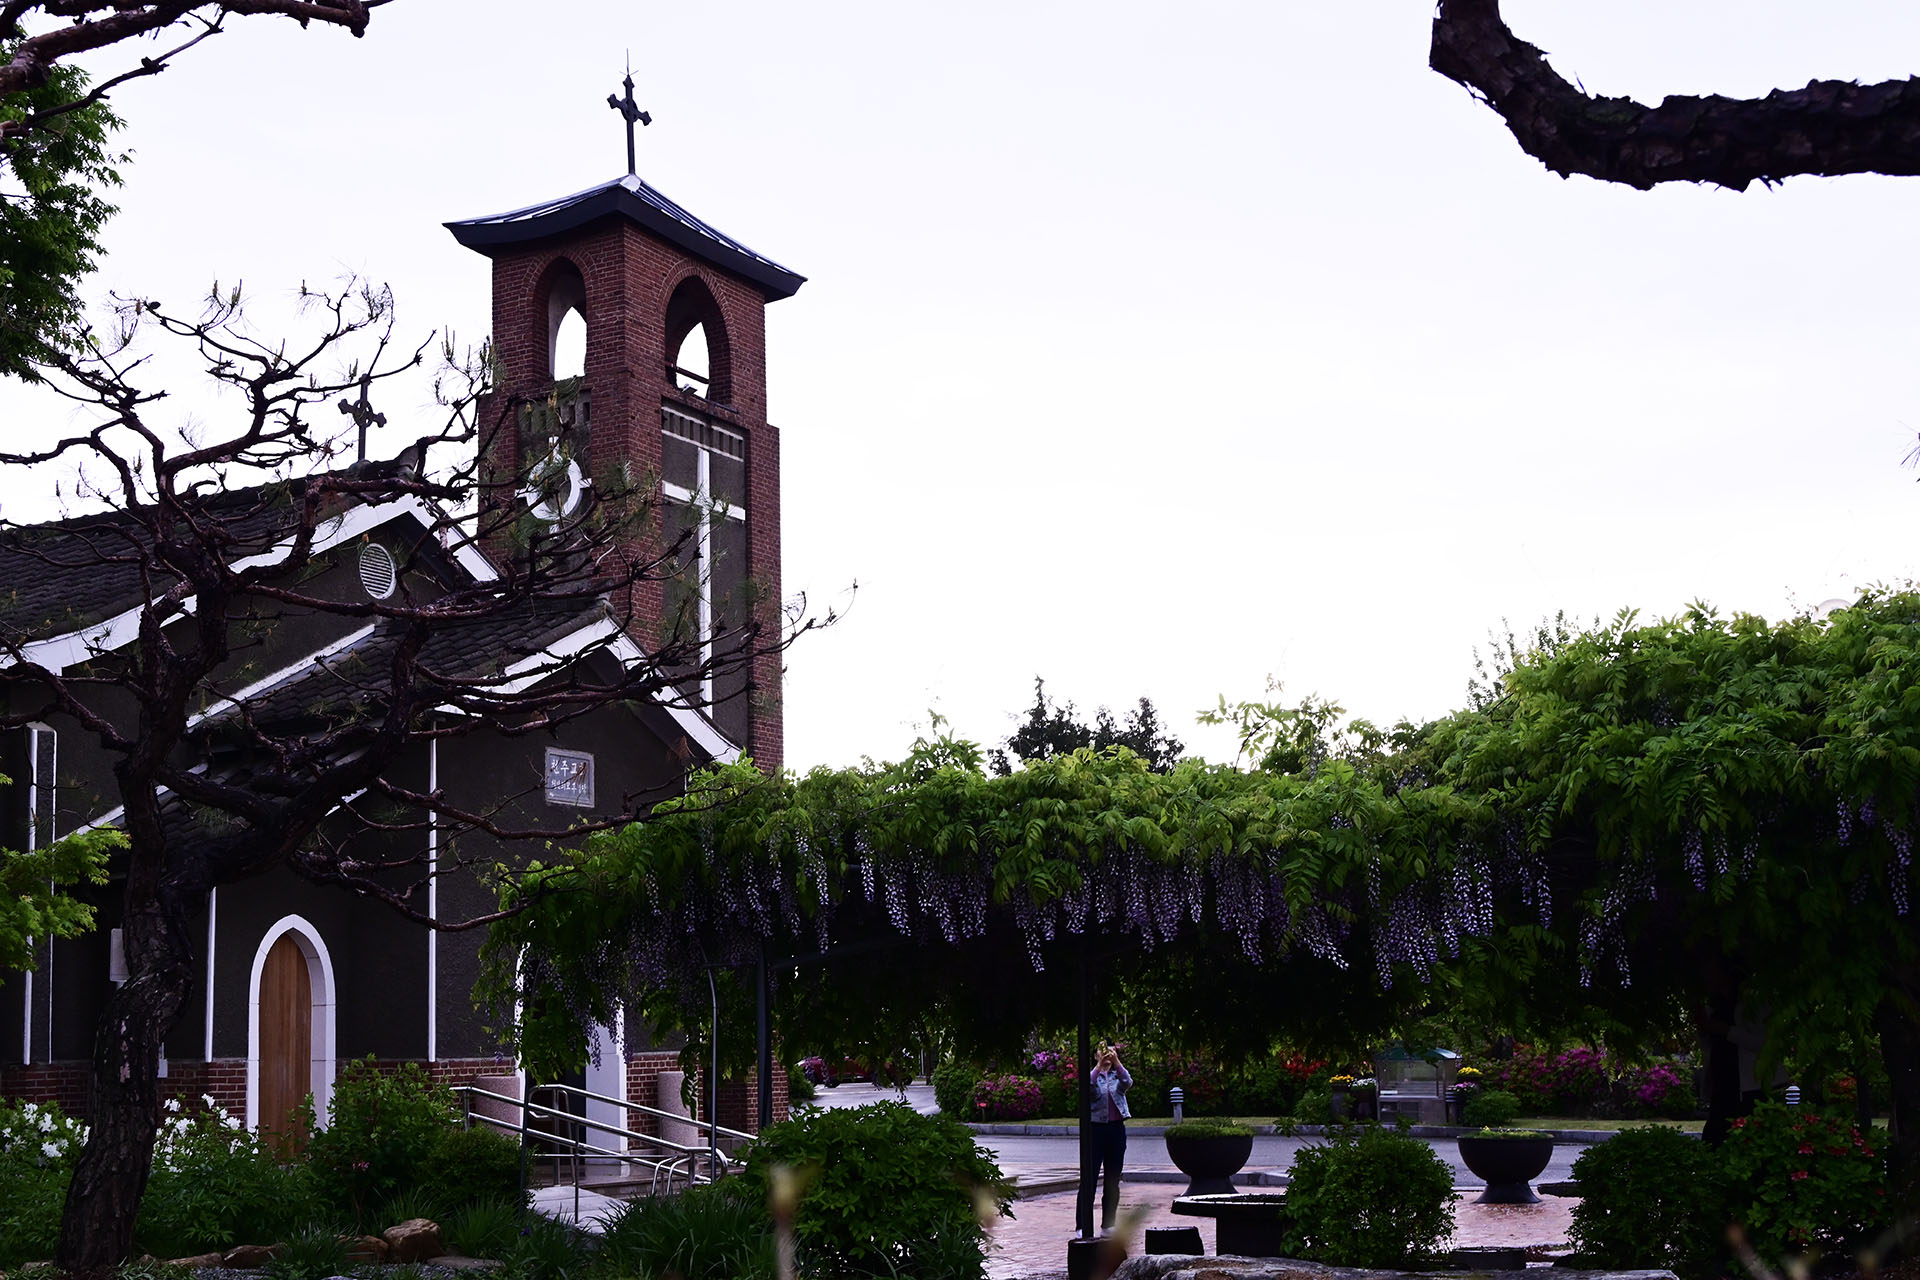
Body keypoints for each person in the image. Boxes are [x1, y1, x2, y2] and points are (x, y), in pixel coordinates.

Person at [1077, 1042, 1131, 1234]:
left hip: (1116, 1130)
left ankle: (1108, 1225)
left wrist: (1117, 1062)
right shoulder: (1093, 1075)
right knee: (1089, 1179)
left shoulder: (1118, 1075)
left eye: (1110, 1050)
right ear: (1095, 1055)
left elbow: (1127, 1082)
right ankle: (1082, 1226)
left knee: (1112, 1180)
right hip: (1095, 1130)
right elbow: (1087, 1087)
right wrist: (1099, 1066)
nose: (1107, 1054)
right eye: (1103, 1051)